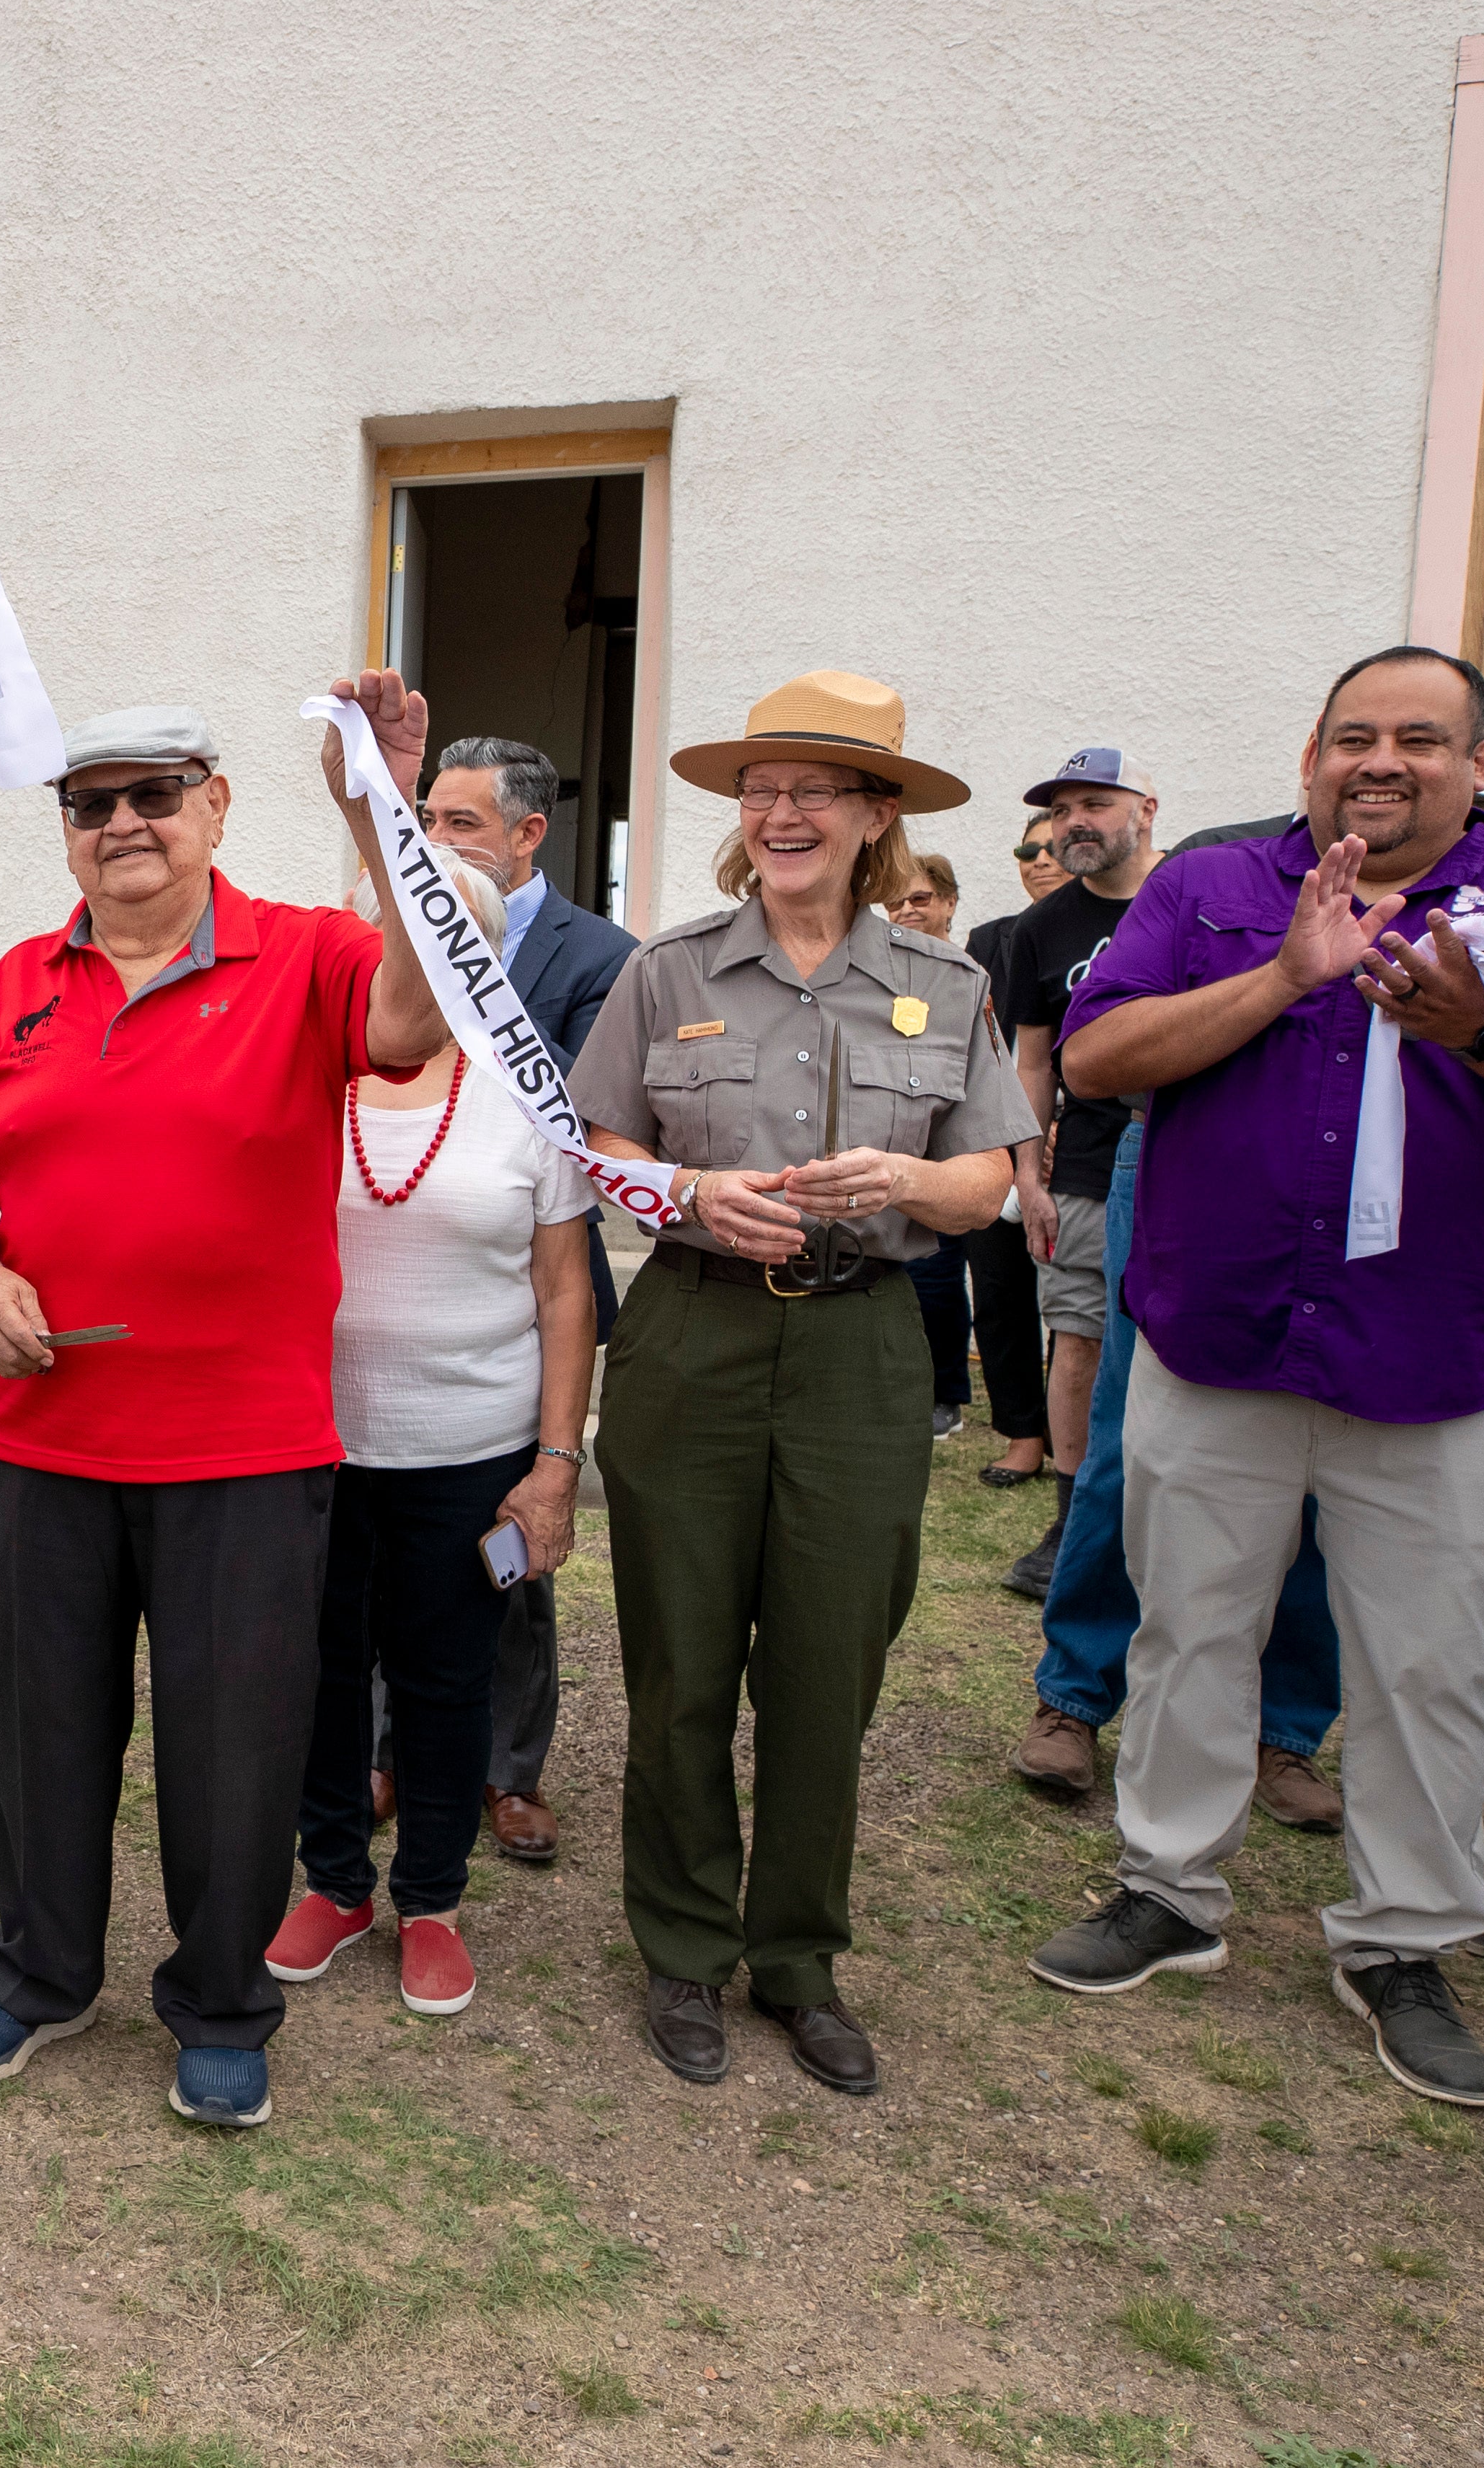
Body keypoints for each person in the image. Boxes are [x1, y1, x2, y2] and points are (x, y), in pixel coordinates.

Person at [1028, 645, 1484, 2114]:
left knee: (1432, 1663)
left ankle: (1402, 1941)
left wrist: (1482, 1032)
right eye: (1351, 737)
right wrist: (1280, 978)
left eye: (1418, 738)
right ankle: (1168, 1891)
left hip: (1442, 1360)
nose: (1380, 761)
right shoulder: (1212, 890)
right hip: (1223, 1343)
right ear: (1309, 759)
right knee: (1189, 1625)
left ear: (1480, 762)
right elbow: (1096, 1057)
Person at [0, 684, 445, 2130]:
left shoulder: (311, 955)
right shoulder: (22, 978)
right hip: (46, 1439)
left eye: (156, 795)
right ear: (69, 835)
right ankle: (37, 1973)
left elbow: (415, 1014)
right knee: (41, 1734)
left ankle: (220, 2002)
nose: (125, 824)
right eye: (93, 804)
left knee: (234, 1742)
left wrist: (380, 811)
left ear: (216, 807)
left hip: (243, 1450)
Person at [570, 671, 1030, 2094]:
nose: (780, 813)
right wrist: (692, 1193)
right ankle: (685, 1942)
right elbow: (592, 1148)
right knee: (683, 1654)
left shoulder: (945, 986)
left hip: (862, 1348)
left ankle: (799, 1958)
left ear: (875, 815)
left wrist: (912, 1176)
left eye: (814, 789)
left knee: (831, 1667)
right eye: (761, 790)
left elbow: (994, 1179)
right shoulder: (669, 973)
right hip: (693, 1339)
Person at [268, 846, 599, 2008]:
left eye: (453, 929)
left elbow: (567, 1293)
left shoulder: (529, 1097)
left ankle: (435, 1900)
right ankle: (335, 1883)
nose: (431, 949)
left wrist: (555, 1464)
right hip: (312, 1443)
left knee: (448, 1679)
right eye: (406, 924)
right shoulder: (310, 1075)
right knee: (317, 1674)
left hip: (471, 1450)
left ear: (492, 952)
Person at [409, 734, 632, 1862]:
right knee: (390, 1552)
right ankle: (394, 1751)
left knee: (508, 1545)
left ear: (528, 834)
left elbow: (587, 1117)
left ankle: (508, 1769)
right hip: (411, 1259)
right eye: (428, 820)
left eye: (460, 824)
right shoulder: (394, 925)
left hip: (534, 1262)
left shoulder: (602, 956)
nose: (437, 843)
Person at [997, 753, 1158, 1600]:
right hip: (1084, 1174)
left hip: (1194, 1165)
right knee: (1079, 1342)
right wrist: (1028, 1173)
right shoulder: (1043, 928)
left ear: (1147, 809)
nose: (1075, 823)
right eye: (1063, 810)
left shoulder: (1193, 900)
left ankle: (1156, 1517)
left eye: (1097, 803)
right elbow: (1032, 1061)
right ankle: (1072, 1519)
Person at [960, 814, 1062, 1486]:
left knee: (1079, 1309)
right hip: (999, 1141)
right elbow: (976, 1050)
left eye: (1055, 848)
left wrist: (1059, 1129)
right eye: (1028, 848)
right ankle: (1023, 1434)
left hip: (1085, 1144)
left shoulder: (1131, 927)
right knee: (1000, 1294)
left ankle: (1079, 1442)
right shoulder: (989, 941)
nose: (1041, 859)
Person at [891, 856, 979, 1436]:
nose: (906, 910)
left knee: (941, 1282)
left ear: (949, 902)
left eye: (920, 899)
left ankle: (947, 1393)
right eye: (895, 902)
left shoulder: (968, 977)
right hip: (891, 1151)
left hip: (952, 1155)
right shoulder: (881, 972)